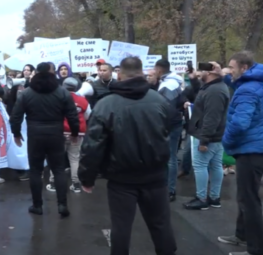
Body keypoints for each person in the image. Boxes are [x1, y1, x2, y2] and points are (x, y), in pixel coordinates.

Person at [79, 56, 177, 255]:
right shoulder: (159, 100)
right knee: (160, 224)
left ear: (119, 74)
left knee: (121, 227)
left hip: (121, 177)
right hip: (154, 175)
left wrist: (86, 177)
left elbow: (92, 145)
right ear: (142, 73)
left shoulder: (107, 104)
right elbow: (169, 130)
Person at [218, 51, 263, 255]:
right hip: (259, 149)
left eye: (231, 68)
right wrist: (224, 76)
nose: (228, 70)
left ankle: (257, 249)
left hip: (250, 151)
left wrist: (226, 141)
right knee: (246, 197)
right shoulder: (259, 80)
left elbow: (240, 123)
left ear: (244, 68)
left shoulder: (247, 90)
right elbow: (241, 86)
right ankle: (241, 235)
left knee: (249, 201)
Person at [10, 62, 79, 217]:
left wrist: (16, 133)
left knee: (35, 171)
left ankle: (37, 205)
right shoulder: (62, 92)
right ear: (52, 73)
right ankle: (62, 205)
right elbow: (72, 115)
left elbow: (16, 116)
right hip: (56, 134)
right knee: (59, 169)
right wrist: (74, 133)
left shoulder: (27, 93)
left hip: (35, 135)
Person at [183, 62, 230, 210]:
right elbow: (201, 93)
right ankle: (214, 198)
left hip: (208, 135)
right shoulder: (214, 87)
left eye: (201, 71)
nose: (198, 72)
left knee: (200, 166)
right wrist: (193, 79)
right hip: (215, 135)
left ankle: (202, 198)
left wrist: (204, 140)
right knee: (216, 165)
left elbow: (212, 117)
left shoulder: (214, 91)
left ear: (209, 73)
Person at [46, 77, 91, 193]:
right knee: (75, 158)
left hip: (59, 132)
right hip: (77, 133)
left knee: (56, 159)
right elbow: (87, 115)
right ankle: (76, 184)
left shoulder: (56, 98)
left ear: (63, 86)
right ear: (76, 87)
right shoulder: (82, 100)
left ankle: (53, 183)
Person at [154, 59, 185, 202]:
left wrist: (162, 125)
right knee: (169, 157)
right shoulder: (173, 81)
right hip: (175, 123)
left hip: (170, 125)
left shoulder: (169, 85)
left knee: (170, 158)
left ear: (159, 70)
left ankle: (169, 190)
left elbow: (166, 108)